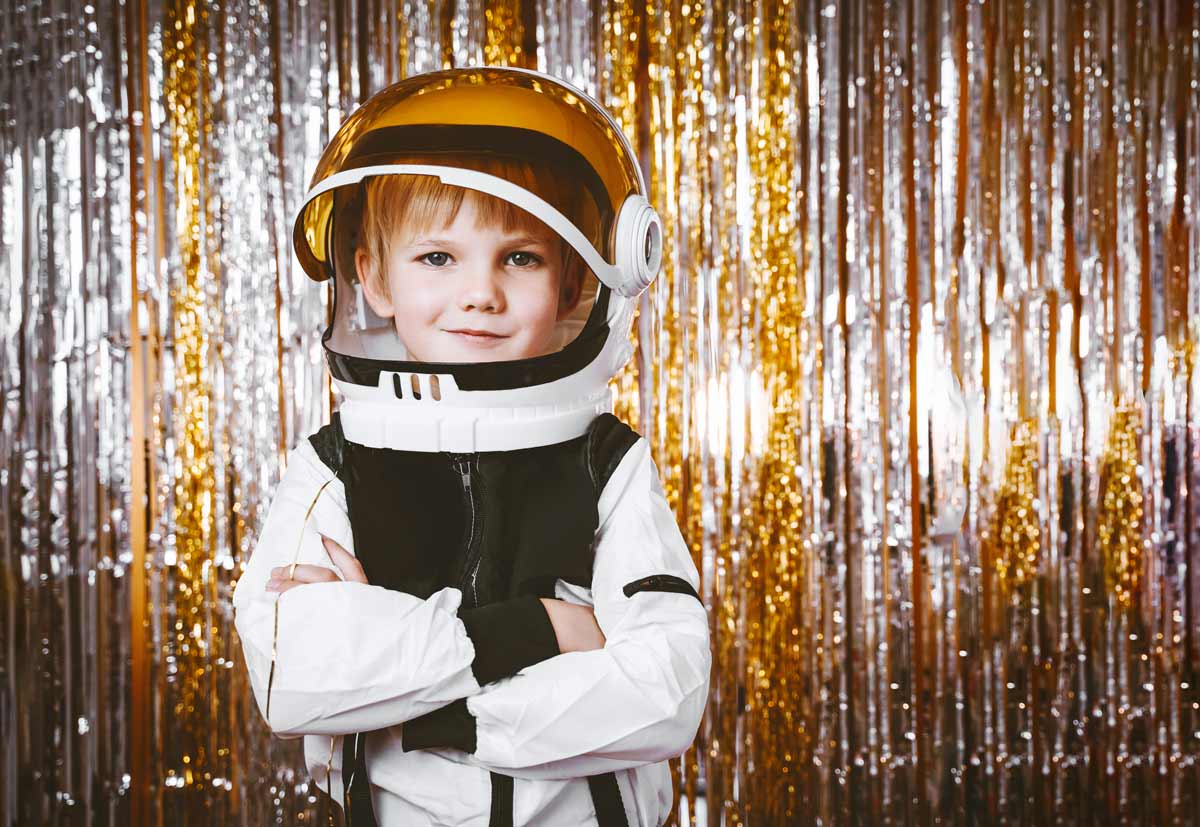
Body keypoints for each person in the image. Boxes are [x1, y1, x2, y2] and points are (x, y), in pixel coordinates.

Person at [232, 66, 711, 827]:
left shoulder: (607, 462)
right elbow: (293, 673)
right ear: (373, 277)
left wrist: (415, 703)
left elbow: (668, 690)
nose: (480, 291)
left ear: (572, 283)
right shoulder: (337, 463)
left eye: (519, 256)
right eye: (437, 257)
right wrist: (543, 630)